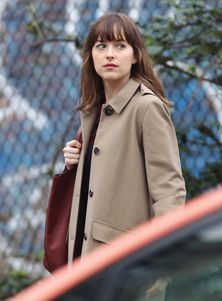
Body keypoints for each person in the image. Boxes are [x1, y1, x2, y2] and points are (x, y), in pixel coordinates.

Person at [63, 12, 186, 264]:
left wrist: (158, 261)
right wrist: (74, 163)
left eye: (120, 46)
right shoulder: (94, 111)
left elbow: (169, 192)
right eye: (101, 46)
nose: (110, 54)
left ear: (135, 56)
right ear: (91, 56)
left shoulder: (146, 107)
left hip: (127, 264)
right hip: (85, 260)